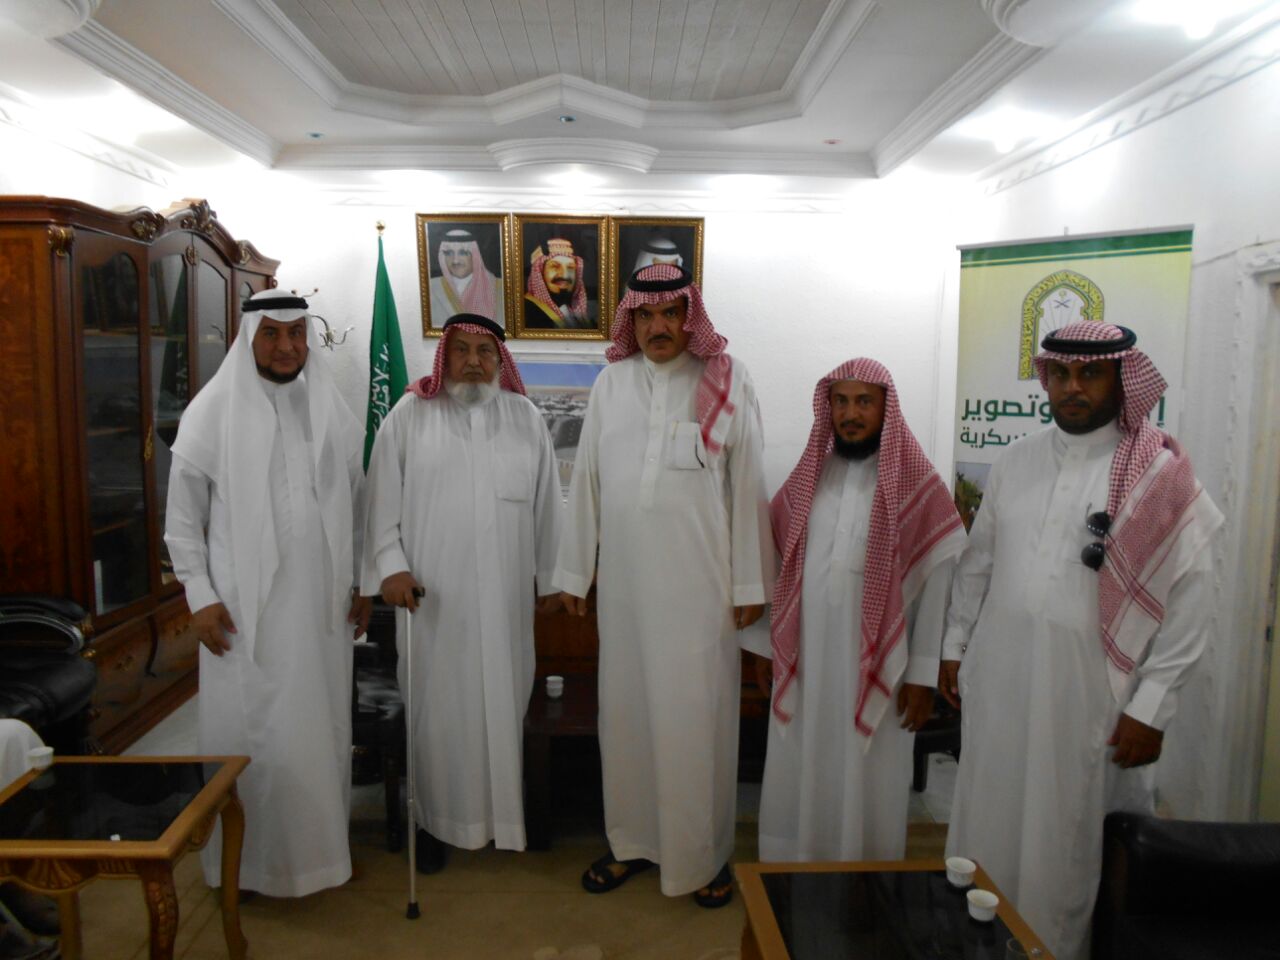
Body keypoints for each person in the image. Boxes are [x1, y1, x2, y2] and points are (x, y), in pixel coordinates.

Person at [940, 322, 1223, 960]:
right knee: (988, 813)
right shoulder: (1015, 460)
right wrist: (954, 645)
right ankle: (973, 939)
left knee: (1065, 838)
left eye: (1090, 373)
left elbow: (1190, 604)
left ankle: (1052, 947)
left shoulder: (1160, 476)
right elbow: (979, 563)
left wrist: (1152, 709)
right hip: (1002, 678)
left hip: (1093, 694)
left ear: (1121, 379)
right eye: (1061, 374)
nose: (1073, 387)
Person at [554, 263, 774, 908]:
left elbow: (747, 484)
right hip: (625, 590)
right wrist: (575, 572)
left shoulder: (728, 380)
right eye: (645, 316)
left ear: (688, 318)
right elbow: (587, 481)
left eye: (670, 315)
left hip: (701, 592)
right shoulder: (611, 384)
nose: (657, 327)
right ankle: (631, 843)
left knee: (693, 725)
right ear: (631, 319)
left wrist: (750, 584)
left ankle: (700, 857)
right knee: (625, 720)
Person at [165, 289, 369, 898]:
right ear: (249, 338)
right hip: (243, 613)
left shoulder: (329, 406)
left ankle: (319, 858)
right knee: (250, 735)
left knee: (319, 732)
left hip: (322, 612)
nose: (287, 347)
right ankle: (247, 867)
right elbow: (182, 522)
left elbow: (358, 504)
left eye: (296, 334)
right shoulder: (212, 411)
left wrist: (360, 582)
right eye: (272, 335)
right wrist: (199, 595)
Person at [362, 313, 561, 871]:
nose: (473, 361)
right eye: (462, 350)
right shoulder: (409, 417)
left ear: (500, 360)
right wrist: (391, 568)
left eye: (485, 351)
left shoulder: (525, 419)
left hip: (505, 607)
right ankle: (433, 821)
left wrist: (551, 580)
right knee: (438, 716)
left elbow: (548, 508)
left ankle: (502, 820)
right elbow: (380, 501)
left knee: (504, 707)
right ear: (444, 355)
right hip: (433, 605)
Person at [755, 359, 966, 861]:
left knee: (869, 769)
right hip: (807, 657)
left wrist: (921, 676)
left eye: (864, 402)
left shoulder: (919, 487)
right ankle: (792, 869)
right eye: (841, 402)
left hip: (879, 664)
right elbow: (777, 567)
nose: (851, 414)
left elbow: (935, 585)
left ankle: (865, 874)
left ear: (886, 408)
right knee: (802, 758)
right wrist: (765, 648)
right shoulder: (809, 479)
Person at [428, 228, 504, 327]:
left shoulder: (499, 287)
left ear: (475, 256)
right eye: (449, 253)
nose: (455, 261)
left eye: (463, 253)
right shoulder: (431, 287)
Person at [523, 237, 591, 329]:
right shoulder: (527, 312)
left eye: (570, 268)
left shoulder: (572, 310)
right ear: (540, 272)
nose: (565, 275)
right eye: (555, 266)